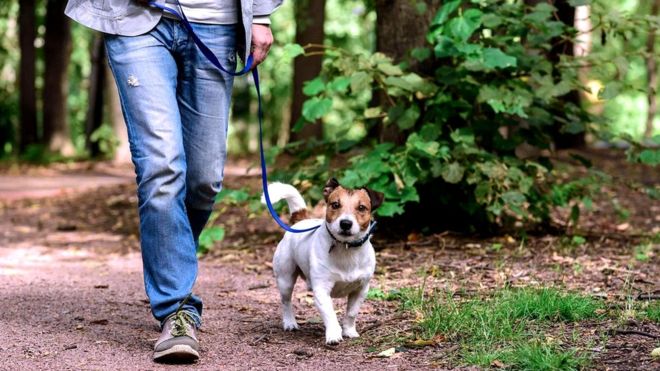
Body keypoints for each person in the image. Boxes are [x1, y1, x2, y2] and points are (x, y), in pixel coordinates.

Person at [64, 0, 282, 363]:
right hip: (136, 20)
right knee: (161, 168)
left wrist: (259, 14)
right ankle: (177, 309)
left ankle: (171, 256)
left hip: (216, 23)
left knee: (204, 180)